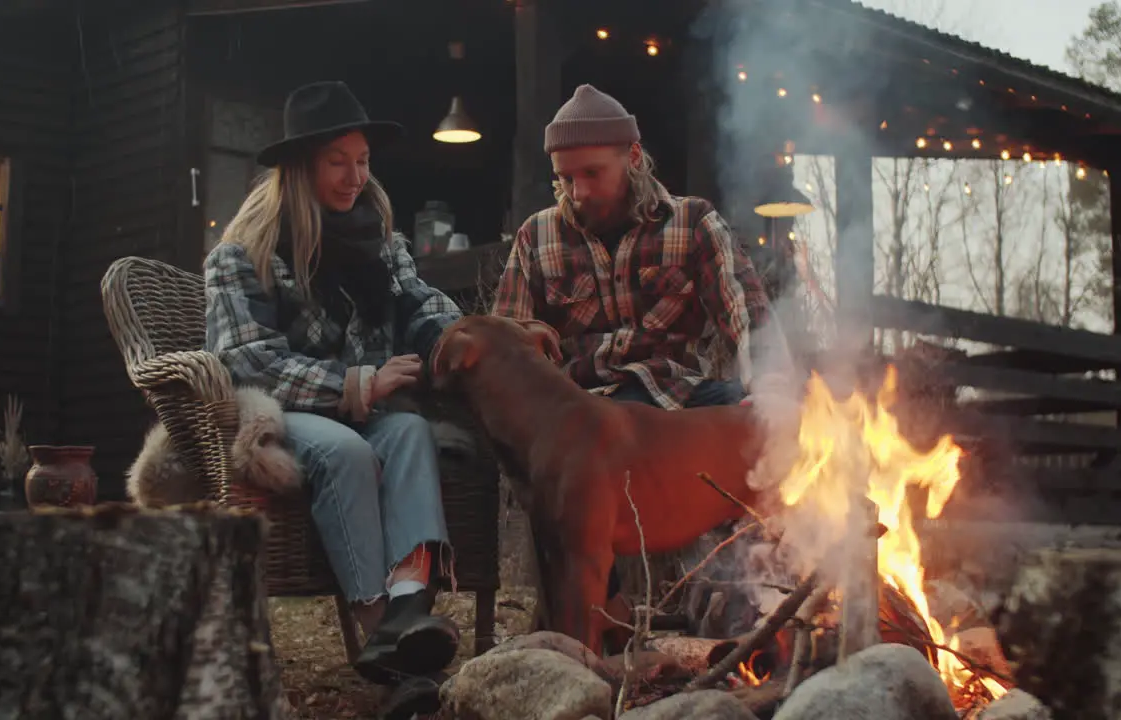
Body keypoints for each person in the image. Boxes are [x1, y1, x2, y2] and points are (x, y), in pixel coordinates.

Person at [491, 84, 788, 644]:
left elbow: (749, 315)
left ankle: (758, 605)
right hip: (588, 415)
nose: (576, 191)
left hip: (681, 399)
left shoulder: (694, 222)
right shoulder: (537, 237)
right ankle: (603, 613)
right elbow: (506, 350)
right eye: (565, 178)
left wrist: (772, 388)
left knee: (765, 435)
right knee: (574, 463)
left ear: (632, 157)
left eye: (590, 174)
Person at [203, 81, 462, 693]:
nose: (355, 177)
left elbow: (422, 307)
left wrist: (459, 340)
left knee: (409, 432)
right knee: (347, 452)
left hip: (370, 406)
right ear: (300, 167)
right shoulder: (243, 254)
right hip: (288, 410)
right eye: (337, 162)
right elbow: (247, 362)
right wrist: (357, 384)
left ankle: (406, 610)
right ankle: (387, 644)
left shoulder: (383, 242)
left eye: (363, 160)